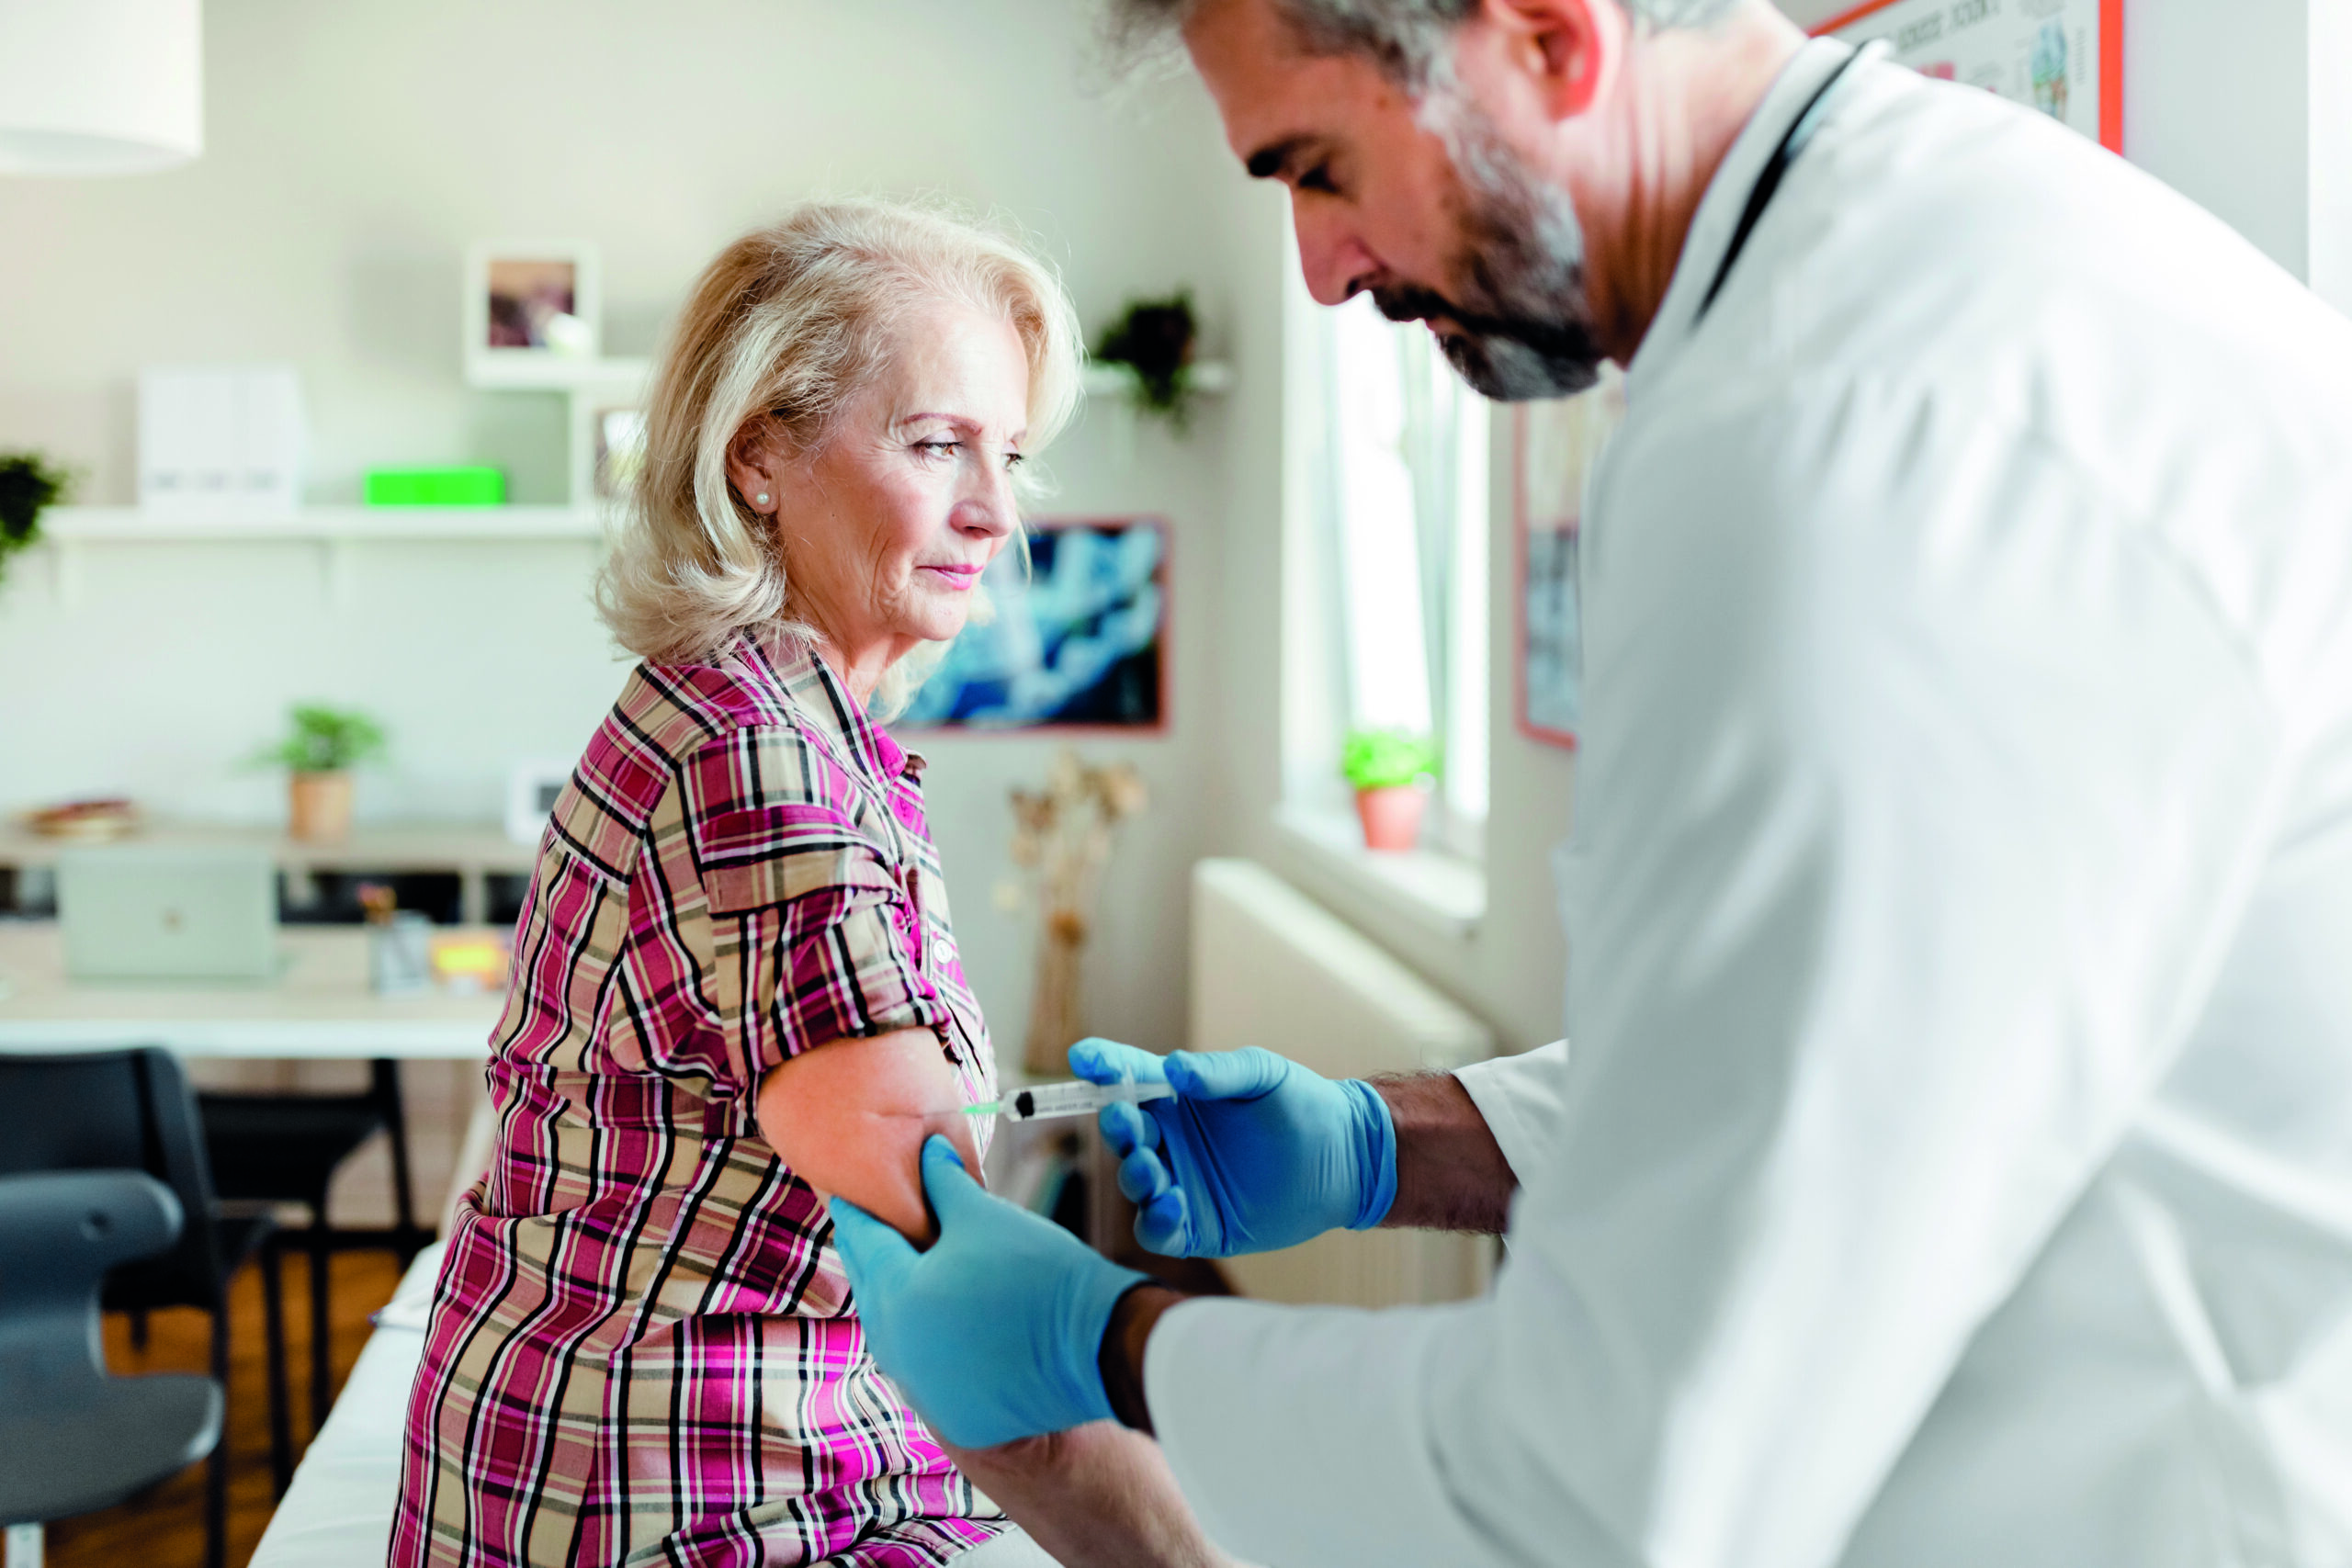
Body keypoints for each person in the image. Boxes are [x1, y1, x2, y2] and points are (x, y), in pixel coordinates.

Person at [827, 2, 2352, 1565]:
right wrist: (1386, 1139)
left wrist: (1110, 1343)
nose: (1321, 269)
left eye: (1321, 167)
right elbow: (1838, 1043)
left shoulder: (1852, 442)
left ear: (1551, 38)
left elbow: (1612, 1479)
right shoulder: (1888, 283)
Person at [391, 198, 1221, 1568]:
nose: (997, 510)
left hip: (757, 1446)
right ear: (761, 452)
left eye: (1009, 453)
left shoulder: (784, 715)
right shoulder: (756, 761)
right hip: (670, 1501)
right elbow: (969, 1313)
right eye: (937, 442)